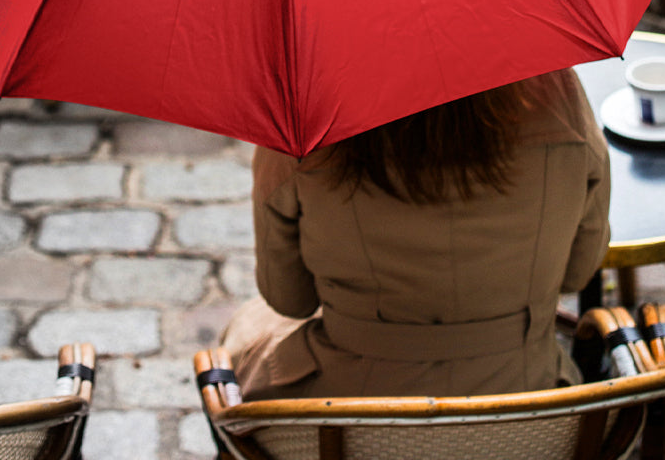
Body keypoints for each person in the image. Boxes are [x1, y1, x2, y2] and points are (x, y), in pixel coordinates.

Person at [220, 67, 611, 400]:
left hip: (350, 414)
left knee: (244, 331)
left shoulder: (304, 114)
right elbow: (577, 274)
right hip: (527, 403)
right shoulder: (556, 95)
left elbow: (289, 299)